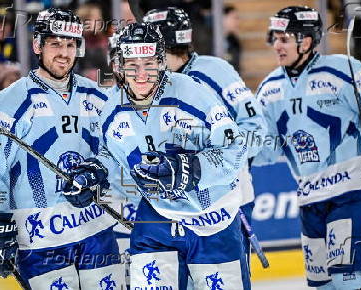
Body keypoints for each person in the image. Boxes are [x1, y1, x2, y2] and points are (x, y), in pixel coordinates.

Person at [0, 8, 125, 289]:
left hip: (94, 230)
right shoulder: (10, 101)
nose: (64, 53)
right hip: (40, 237)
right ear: (37, 46)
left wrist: (99, 169)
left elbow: (117, 147)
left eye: (70, 45)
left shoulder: (96, 95)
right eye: (55, 44)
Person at [91, 22, 250, 289]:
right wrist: (95, 173)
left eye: (149, 63)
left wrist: (191, 168)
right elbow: (110, 155)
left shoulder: (193, 93)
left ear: (161, 62)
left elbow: (235, 149)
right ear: (118, 66)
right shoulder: (110, 109)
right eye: (132, 64)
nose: (141, 74)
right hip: (156, 220)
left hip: (212, 220)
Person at [254, 6, 361, 290]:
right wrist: (233, 153)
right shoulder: (269, 90)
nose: (276, 46)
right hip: (310, 200)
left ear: (306, 41)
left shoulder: (345, 71)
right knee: (324, 288)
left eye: (284, 39)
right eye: (274, 39)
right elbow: (267, 148)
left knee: (349, 284)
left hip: (353, 193)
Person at [143, 6, 266, 270]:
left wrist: (221, 165)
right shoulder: (153, 83)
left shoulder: (214, 70)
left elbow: (256, 127)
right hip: (178, 206)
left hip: (226, 201)